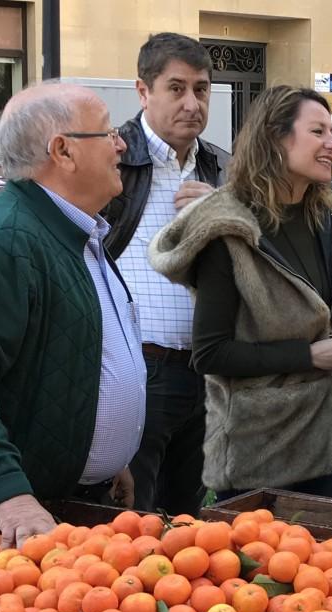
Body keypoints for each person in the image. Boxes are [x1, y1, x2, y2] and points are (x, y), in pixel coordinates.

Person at [0, 82, 147, 546]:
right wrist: (10, 495)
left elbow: (76, 355)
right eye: (109, 133)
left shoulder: (74, 228)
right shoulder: (5, 241)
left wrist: (111, 454)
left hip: (73, 501)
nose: (122, 144)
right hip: (17, 525)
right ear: (63, 151)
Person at [148, 86, 332, 500]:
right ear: (275, 138)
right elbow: (210, 353)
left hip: (328, 444)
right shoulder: (229, 230)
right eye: (318, 131)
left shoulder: (326, 219)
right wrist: (308, 355)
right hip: (259, 454)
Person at [102, 33, 230, 516]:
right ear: (143, 91)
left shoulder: (219, 165)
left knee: (189, 522)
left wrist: (222, 211)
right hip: (137, 369)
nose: (192, 103)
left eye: (201, 89)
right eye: (176, 88)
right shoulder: (114, 159)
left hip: (207, 369)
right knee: (131, 519)